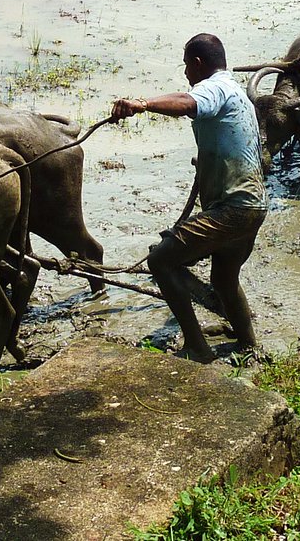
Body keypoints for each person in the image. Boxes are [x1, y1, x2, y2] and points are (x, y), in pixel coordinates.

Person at [110, 33, 267, 362]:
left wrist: (142, 105)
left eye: (186, 66)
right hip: (252, 205)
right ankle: (248, 344)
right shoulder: (235, 90)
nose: (185, 73)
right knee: (224, 280)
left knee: (160, 261)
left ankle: (197, 346)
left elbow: (187, 101)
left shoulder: (216, 88)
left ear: (198, 64)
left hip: (233, 208)